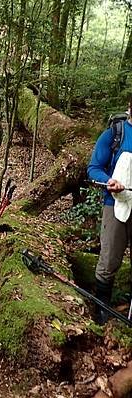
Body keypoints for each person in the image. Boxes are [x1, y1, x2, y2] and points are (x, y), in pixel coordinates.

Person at [87, 108, 132, 323]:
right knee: (108, 261)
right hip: (114, 205)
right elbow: (94, 168)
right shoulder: (115, 134)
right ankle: (101, 312)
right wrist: (109, 181)